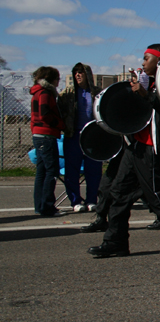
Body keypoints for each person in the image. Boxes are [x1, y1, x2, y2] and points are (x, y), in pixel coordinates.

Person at [87, 44, 160, 258]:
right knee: (118, 193)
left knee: (159, 197)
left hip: (152, 149)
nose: (143, 62)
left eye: (147, 58)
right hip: (136, 146)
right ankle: (115, 242)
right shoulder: (147, 83)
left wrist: (145, 93)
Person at [57, 63, 102, 213]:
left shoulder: (97, 92)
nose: (78, 75)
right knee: (72, 170)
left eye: (81, 72)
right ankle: (75, 201)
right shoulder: (68, 93)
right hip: (73, 135)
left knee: (94, 169)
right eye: (76, 72)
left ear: (87, 74)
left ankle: (91, 200)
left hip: (93, 136)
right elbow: (59, 111)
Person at [30, 66, 65, 217]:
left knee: (42, 171)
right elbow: (44, 114)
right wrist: (60, 124)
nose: (59, 82)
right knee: (51, 171)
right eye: (57, 78)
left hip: (38, 135)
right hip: (46, 135)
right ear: (51, 79)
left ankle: (40, 205)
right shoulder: (45, 93)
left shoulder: (37, 92)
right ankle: (47, 206)